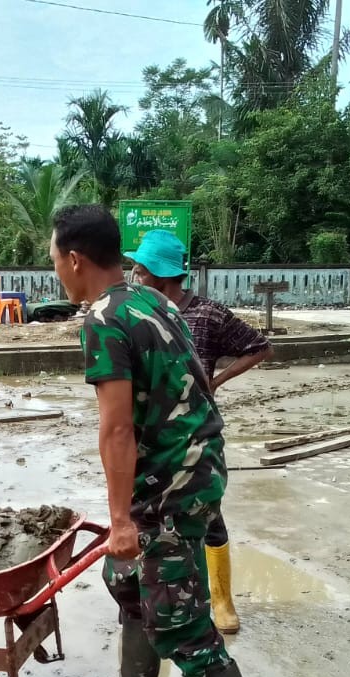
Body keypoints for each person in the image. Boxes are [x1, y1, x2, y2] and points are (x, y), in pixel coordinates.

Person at [49, 204, 263, 677]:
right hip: (194, 467)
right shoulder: (152, 300)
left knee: (179, 615)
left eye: (55, 260)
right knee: (126, 577)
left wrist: (121, 519)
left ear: (75, 259)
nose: (56, 271)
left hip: (171, 482)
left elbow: (116, 429)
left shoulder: (103, 319)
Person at [127, 229, 273, 635]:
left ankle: (221, 600)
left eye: (141, 269)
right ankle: (154, 597)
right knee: (148, 517)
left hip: (195, 434)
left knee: (208, 515)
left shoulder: (207, 315)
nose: (135, 275)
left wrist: (217, 381)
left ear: (161, 273)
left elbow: (260, 346)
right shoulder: (139, 312)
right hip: (150, 434)